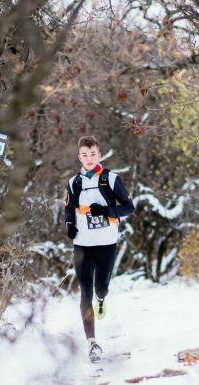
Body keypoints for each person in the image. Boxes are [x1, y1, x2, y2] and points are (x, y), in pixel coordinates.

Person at [64, 136, 135, 363]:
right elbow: (69, 208)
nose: (89, 158)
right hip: (82, 245)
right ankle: (92, 343)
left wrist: (106, 211)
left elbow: (128, 208)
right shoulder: (74, 182)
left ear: (99, 154)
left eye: (93, 154)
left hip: (106, 243)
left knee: (100, 288)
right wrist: (70, 226)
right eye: (84, 155)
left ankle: (102, 299)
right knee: (84, 292)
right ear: (79, 157)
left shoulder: (111, 179)